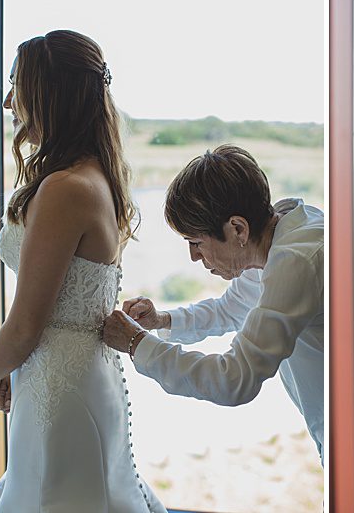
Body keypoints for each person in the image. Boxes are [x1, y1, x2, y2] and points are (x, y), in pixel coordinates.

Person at [0, 29, 167, 512]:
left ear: (48, 96)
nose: (7, 103)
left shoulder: (65, 189)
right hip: (71, 378)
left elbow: (26, 323)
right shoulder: (93, 177)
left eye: (16, 86)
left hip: (58, 390)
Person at [101, 145, 325, 459]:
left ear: (237, 229)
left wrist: (138, 344)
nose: (194, 256)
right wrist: (161, 321)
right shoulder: (273, 236)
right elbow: (232, 308)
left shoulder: (295, 261)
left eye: (196, 242)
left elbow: (234, 379)